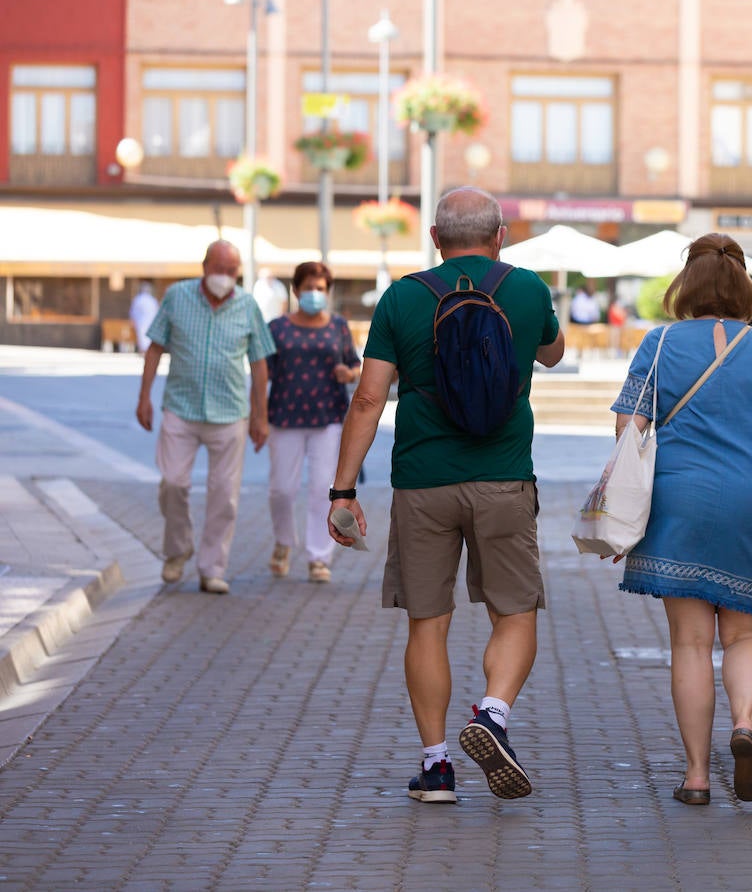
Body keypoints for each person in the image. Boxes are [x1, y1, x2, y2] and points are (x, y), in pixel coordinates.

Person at [327, 187, 565, 805]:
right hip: (505, 480)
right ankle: (491, 714)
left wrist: (344, 490)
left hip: (423, 484)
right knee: (514, 612)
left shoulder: (403, 296)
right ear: (501, 235)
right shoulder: (529, 288)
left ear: (435, 238)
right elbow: (553, 353)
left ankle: (436, 769)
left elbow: (369, 399)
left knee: (426, 625)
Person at [608, 232, 752, 806]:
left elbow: (627, 430)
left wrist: (620, 511)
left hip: (678, 504)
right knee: (747, 631)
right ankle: (746, 725)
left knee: (689, 643)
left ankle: (698, 777)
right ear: (744, 286)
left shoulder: (657, 345)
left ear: (687, 284)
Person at [136, 240, 274, 595]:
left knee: (225, 495)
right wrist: (144, 398)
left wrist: (261, 416)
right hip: (180, 408)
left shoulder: (247, 305)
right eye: (220, 269)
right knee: (173, 483)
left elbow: (259, 365)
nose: (225, 277)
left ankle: (212, 568)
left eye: (232, 271)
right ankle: (178, 549)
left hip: (230, 413)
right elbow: (154, 348)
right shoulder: (177, 296)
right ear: (204, 266)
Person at [265, 261, 360, 585]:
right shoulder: (277, 328)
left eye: (320, 289)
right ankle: (283, 542)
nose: (315, 294)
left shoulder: (338, 326)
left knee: (323, 488)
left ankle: (319, 558)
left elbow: (355, 365)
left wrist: (349, 374)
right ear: (295, 290)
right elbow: (262, 370)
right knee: (282, 490)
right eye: (309, 288)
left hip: (328, 417)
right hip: (284, 416)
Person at [128, 281, 160, 353]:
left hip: (142, 322)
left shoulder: (139, 299)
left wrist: (133, 320)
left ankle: (145, 351)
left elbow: (133, 312)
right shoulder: (152, 300)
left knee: (143, 338)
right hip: (147, 322)